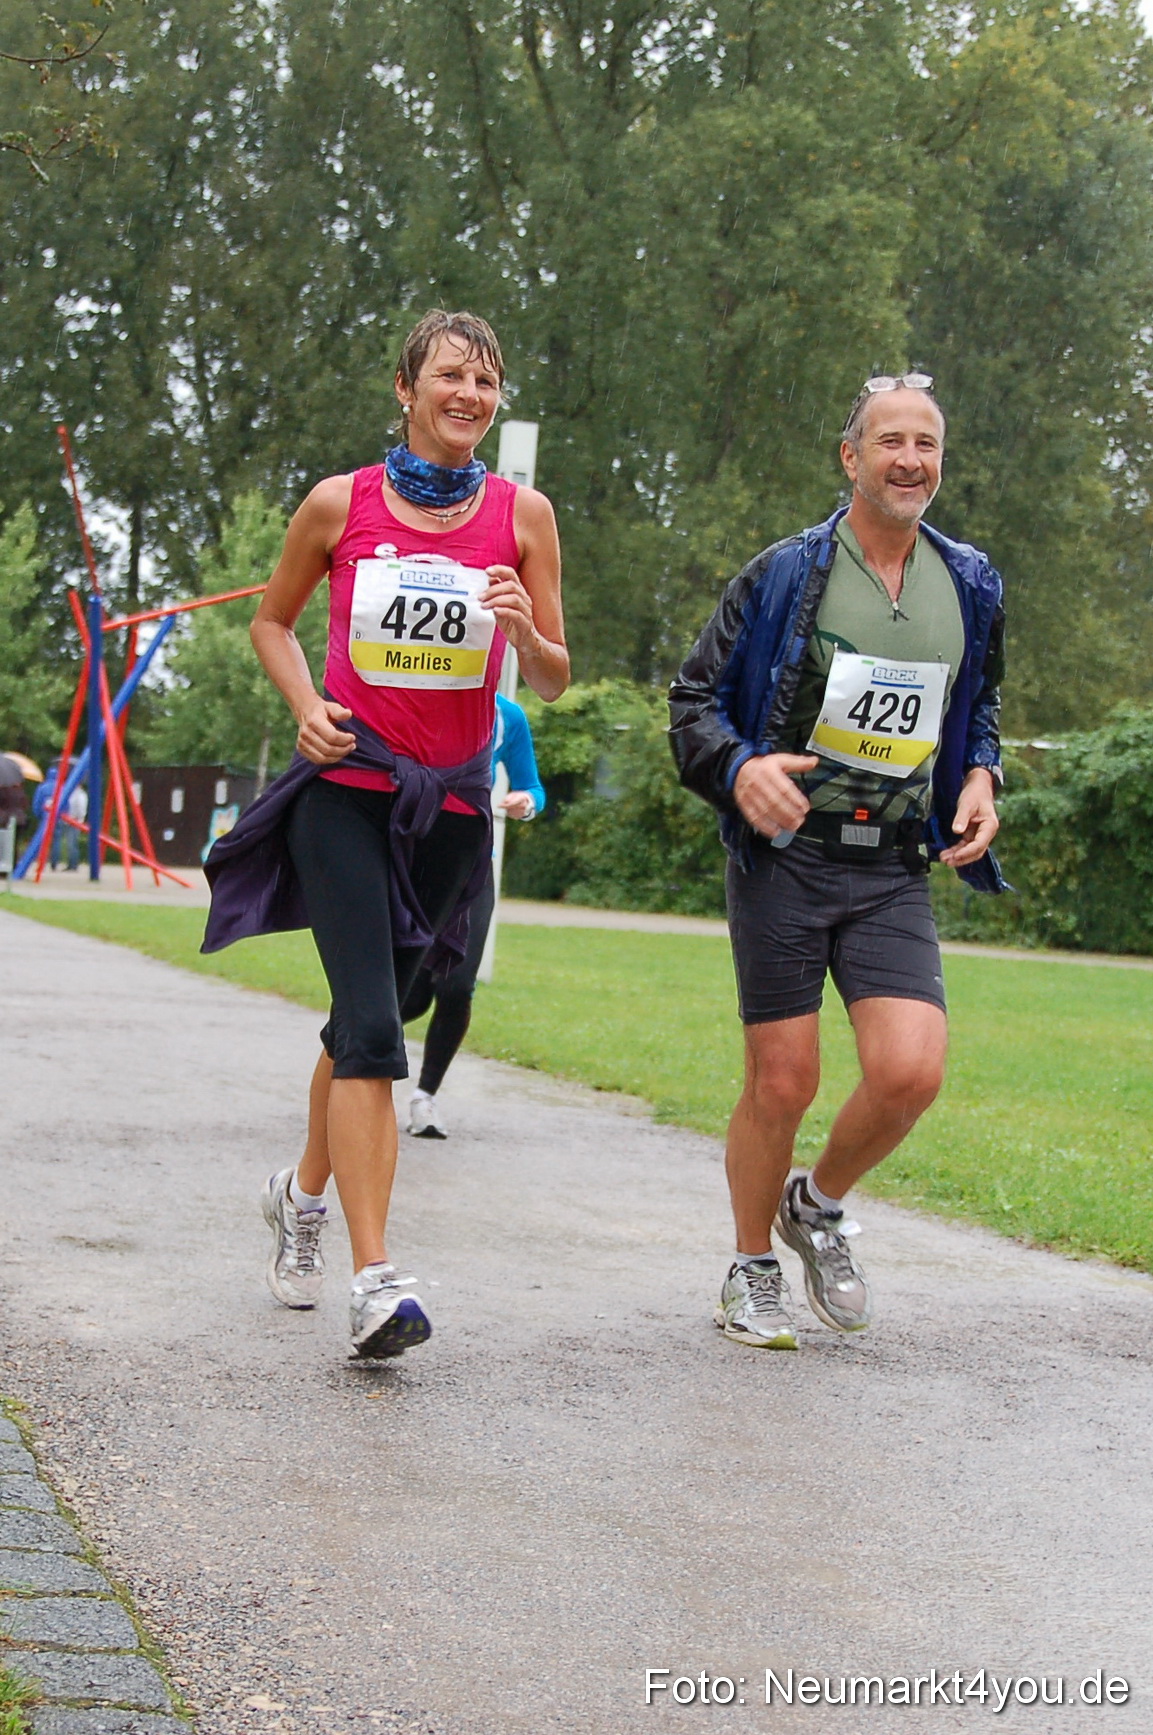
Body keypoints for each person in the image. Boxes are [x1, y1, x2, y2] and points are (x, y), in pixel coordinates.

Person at [203, 309, 568, 1359]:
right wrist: (304, 704)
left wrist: (521, 629)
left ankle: (302, 1190)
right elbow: (270, 621)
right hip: (348, 789)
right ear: (404, 390)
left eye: (487, 380)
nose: (470, 393)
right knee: (373, 1032)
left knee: (374, 1013)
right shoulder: (339, 503)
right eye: (450, 375)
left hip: (450, 807)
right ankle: (375, 1280)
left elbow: (552, 674)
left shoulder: (525, 515)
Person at [669, 373, 1004, 1349]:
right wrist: (738, 770)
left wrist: (979, 774)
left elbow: (972, 706)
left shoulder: (970, 582)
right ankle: (748, 1265)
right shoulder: (784, 575)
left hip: (891, 863)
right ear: (849, 458)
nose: (910, 460)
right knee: (782, 1081)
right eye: (889, 441)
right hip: (787, 857)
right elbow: (693, 703)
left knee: (910, 1071)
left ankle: (813, 1203)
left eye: (926, 444)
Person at [403, 690, 546, 1138]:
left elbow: (532, 786)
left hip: (472, 866)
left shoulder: (508, 715)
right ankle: (344, 1054)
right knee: (409, 994)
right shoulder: (417, 696)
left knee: (457, 985)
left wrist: (526, 803)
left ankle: (425, 1098)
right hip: (409, 860)